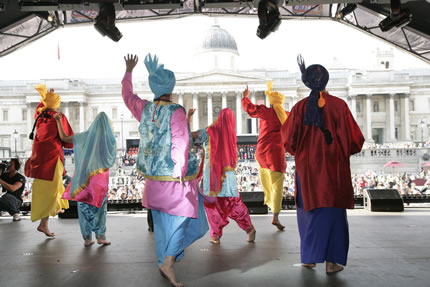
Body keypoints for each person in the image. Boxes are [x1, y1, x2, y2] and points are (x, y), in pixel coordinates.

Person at [122, 53, 208, 287]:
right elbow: (180, 140)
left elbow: (128, 97)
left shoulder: (145, 109)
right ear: (171, 87)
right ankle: (168, 262)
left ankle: (164, 261)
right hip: (174, 179)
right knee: (184, 215)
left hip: (152, 181)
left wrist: (129, 71)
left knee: (160, 223)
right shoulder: (176, 111)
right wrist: (180, 166)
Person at [281, 55, 364, 273]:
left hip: (307, 170)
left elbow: (288, 140)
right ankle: (332, 262)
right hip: (334, 170)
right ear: (326, 81)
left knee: (308, 212)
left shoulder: (299, 108)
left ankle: (309, 258)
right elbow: (356, 140)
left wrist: (302, 153)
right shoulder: (339, 106)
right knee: (334, 213)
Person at [188, 108, 256, 244]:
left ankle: (216, 234)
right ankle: (249, 228)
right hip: (227, 176)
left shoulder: (208, 131)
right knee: (233, 203)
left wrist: (188, 117)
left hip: (211, 176)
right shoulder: (231, 135)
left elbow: (188, 135)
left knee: (211, 204)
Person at [55, 111, 116, 246]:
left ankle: (87, 238)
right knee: (100, 207)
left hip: (84, 176)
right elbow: (111, 159)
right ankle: (101, 236)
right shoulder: (108, 139)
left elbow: (64, 138)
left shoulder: (85, 136)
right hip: (99, 178)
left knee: (83, 205)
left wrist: (59, 121)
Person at [24, 84, 73, 237]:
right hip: (52, 158)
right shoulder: (59, 117)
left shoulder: (39, 117)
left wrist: (45, 98)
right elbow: (67, 140)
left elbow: (41, 107)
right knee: (53, 188)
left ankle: (52, 212)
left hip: (39, 159)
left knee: (45, 189)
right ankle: (44, 222)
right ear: (57, 105)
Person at [242, 82, 289, 231]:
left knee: (266, 179)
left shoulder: (264, 111)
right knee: (278, 185)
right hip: (276, 154)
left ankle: (268, 200)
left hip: (262, 152)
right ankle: (275, 216)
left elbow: (249, 109)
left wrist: (245, 97)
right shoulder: (286, 115)